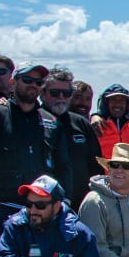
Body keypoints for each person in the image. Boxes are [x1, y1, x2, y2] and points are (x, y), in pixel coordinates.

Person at [0, 62, 58, 245]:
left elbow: (63, 164)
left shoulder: (50, 120)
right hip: (0, 206)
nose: (33, 84)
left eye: (38, 82)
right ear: (13, 82)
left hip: (39, 209)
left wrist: (61, 199)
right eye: (27, 79)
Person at [41, 67, 97, 206]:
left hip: (81, 203)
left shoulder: (81, 123)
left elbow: (95, 165)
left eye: (66, 93)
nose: (61, 97)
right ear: (42, 93)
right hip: (44, 205)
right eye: (54, 93)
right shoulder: (34, 121)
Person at [93, 84, 129, 159]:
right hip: (101, 170)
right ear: (107, 103)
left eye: (122, 100)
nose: (118, 104)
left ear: (127, 104)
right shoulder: (97, 126)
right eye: (113, 100)